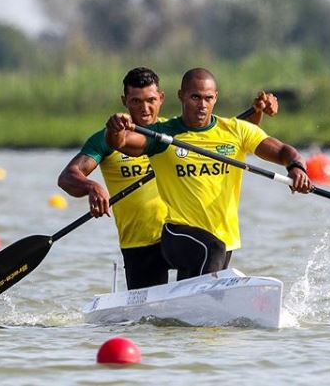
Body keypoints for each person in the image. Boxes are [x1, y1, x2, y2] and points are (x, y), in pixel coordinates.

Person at [58, 67, 279, 289]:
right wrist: (91, 186)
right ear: (125, 101)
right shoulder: (110, 137)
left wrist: (257, 112)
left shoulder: (172, 132)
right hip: (142, 242)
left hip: (184, 236)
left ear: (161, 98)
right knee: (148, 321)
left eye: (151, 100)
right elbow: (68, 176)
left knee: (205, 266)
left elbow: (228, 142)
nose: (145, 108)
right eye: (136, 101)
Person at [105, 67, 312, 281]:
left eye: (208, 98)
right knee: (211, 249)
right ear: (181, 96)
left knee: (201, 272)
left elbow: (283, 151)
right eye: (195, 97)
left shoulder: (237, 130)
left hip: (225, 237)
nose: (202, 105)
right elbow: (122, 143)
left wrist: (296, 167)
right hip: (178, 234)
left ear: (215, 98)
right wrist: (114, 130)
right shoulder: (163, 134)